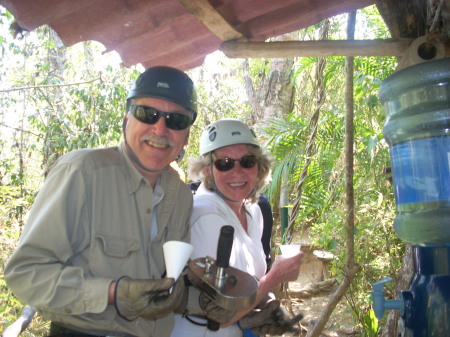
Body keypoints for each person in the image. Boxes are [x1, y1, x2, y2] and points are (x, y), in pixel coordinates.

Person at [4, 66, 234, 337]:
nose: (160, 128)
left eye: (176, 120)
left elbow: (161, 287)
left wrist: (201, 303)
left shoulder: (181, 194)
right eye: (147, 114)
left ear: (186, 136)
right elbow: (26, 274)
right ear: (126, 119)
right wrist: (113, 293)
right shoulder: (82, 172)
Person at [171, 119, 304, 337]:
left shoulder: (252, 210)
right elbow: (222, 316)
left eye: (247, 161)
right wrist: (275, 277)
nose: (237, 171)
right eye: (224, 163)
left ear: (258, 167)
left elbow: (249, 281)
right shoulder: (206, 215)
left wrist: (266, 301)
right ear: (206, 170)